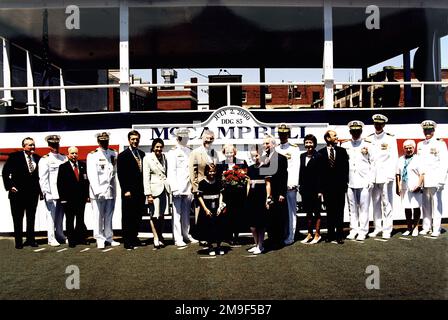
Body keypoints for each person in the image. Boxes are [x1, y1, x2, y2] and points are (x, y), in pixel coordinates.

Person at [2, 137, 41, 249]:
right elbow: (5, 172)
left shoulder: (38, 158)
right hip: (17, 194)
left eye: (33, 144)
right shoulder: (15, 157)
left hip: (32, 194)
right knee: (18, 218)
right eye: (30, 145)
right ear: (24, 146)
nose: (32, 147)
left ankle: (31, 240)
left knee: (31, 217)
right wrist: (10, 186)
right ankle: (18, 242)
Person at [341, 121, 373, 241]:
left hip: (364, 180)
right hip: (350, 181)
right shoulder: (345, 145)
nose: (355, 133)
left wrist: (371, 180)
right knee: (352, 208)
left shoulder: (368, 144)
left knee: (364, 207)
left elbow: (373, 162)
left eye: (357, 131)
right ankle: (353, 229)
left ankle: (363, 231)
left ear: (361, 132)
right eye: (353, 131)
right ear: (350, 132)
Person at [86, 132, 120, 249]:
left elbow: (114, 172)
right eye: (102, 141)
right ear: (98, 141)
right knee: (98, 216)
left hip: (111, 189)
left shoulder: (114, 153)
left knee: (109, 215)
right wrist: (97, 191)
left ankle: (109, 237)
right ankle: (99, 238)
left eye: (106, 140)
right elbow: (92, 174)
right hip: (98, 191)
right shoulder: (92, 155)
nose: (104, 142)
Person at [368, 114, 398, 239]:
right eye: (376, 123)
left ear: (384, 124)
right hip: (373, 176)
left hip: (385, 175)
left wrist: (391, 175)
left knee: (387, 203)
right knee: (375, 202)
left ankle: (387, 229)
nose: (378, 125)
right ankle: (377, 228)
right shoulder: (369, 138)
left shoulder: (390, 138)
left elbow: (394, 157)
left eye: (380, 123)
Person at [417, 120, 448, 237]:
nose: (427, 132)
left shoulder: (440, 144)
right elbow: (419, 163)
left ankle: (436, 228)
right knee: (425, 204)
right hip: (424, 180)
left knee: (436, 204)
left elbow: (444, 163)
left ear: (433, 131)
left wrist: (442, 180)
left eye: (430, 130)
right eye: (425, 130)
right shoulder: (420, 145)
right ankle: (426, 226)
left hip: (436, 179)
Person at [167, 128, 197, 247]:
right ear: (179, 138)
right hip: (178, 188)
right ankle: (177, 237)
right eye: (185, 137)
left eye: (187, 137)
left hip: (188, 187)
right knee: (177, 214)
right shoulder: (172, 152)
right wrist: (174, 188)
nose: (187, 139)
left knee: (186, 214)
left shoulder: (190, 151)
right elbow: (171, 171)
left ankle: (186, 234)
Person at [318, 130, 349, 244]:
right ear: (327, 138)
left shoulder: (342, 151)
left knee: (339, 211)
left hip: (340, 187)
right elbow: (320, 173)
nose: (337, 137)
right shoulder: (320, 153)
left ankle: (339, 235)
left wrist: (344, 184)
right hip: (327, 188)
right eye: (334, 135)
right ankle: (330, 234)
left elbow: (345, 169)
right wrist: (321, 189)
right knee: (330, 211)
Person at [117, 130, 146, 250]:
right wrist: (126, 190)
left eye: (137, 139)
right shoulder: (123, 155)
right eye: (133, 139)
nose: (135, 141)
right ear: (129, 140)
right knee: (128, 215)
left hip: (140, 191)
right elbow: (121, 175)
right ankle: (127, 240)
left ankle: (134, 237)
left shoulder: (142, 154)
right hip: (129, 191)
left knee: (137, 215)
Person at [189, 129, 219, 241]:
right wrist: (195, 188)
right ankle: (202, 237)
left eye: (211, 138)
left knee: (213, 213)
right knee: (200, 212)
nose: (209, 140)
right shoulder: (195, 152)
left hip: (212, 186)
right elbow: (193, 172)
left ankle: (212, 236)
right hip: (201, 187)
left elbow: (216, 170)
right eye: (207, 138)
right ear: (202, 138)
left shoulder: (214, 153)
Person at [56, 146, 89, 247]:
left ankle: (81, 238)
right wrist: (63, 198)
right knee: (70, 220)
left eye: (76, 153)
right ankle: (71, 240)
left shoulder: (83, 165)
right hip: (68, 199)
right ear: (68, 155)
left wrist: (87, 196)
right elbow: (60, 184)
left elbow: (86, 182)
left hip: (81, 198)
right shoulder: (63, 167)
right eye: (72, 153)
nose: (74, 155)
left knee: (80, 219)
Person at [39, 135, 67, 247]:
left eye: (56, 144)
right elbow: (43, 178)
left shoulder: (64, 158)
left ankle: (60, 235)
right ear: (49, 146)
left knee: (60, 216)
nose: (55, 146)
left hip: (62, 193)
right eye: (53, 145)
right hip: (52, 192)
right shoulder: (45, 159)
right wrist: (46, 193)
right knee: (51, 216)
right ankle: (51, 238)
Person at [261, 134, 288, 249]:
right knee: (269, 216)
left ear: (274, 144)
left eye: (267, 143)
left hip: (278, 192)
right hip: (267, 192)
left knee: (278, 216)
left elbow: (283, 176)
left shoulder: (281, 158)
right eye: (264, 144)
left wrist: (282, 193)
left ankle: (279, 240)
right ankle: (271, 239)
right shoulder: (263, 158)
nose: (265, 145)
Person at [275, 123, 301, 246]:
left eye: (284, 134)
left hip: (290, 185)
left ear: (288, 134)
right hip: (279, 186)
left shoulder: (294, 148)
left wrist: (293, 183)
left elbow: (296, 167)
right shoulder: (276, 148)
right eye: (280, 134)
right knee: (280, 212)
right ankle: (281, 234)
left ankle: (291, 236)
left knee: (291, 212)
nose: (282, 136)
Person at [143, 138, 171, 249]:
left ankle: (161, 235)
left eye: (160, 147)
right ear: (153, 147)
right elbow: (146, 177)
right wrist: (148, 194)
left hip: (164, 189)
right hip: (154, 190)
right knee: (153, 215)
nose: (159, 149)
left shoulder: (164, 157)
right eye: (157, 147)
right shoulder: (147, 158)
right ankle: (155, 237)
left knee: (162, 215)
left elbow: (166, 173)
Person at [218, 144, 248, 246]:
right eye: (227, 153)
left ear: (235, 152)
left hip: (238, 194)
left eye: (231, 152)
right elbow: (218, 179)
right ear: (224, 153)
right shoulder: (221, 164)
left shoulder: (241, 162)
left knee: (238, 215)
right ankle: (228, 236)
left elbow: (246, 177)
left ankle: (236, 236)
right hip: (227, 194)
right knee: (228, 215)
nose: (229, 154)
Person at [196, 164, 226, 256]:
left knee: (218, 227)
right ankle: (210, 247)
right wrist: (205, 209)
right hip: (207, 207)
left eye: (213, 171)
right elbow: (199, 197)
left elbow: (221, 194)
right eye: (210, 171)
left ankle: (219, 246)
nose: (212, 173)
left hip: (216, 207)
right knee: (208, 228)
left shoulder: (218, 182)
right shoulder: (202, 183)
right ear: (206, 172)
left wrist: (220, 206)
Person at [246, 145, 271, 254]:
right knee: (252, 225)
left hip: (261, 197)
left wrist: (268, 198)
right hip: (252, 197)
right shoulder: (250, 168)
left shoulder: (265, 167)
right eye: (252, 156)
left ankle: (261, 245)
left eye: (256, 155)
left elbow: (268, 184)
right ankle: (256, 244)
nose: (254, 158)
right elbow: (248, 184)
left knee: (260, 224)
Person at [396, 140, 424, 237]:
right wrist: (397, 186)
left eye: (410, 147)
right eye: (406, 148)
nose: (408, 149)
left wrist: (419, 185)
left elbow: (422, 174)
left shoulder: (418, 159)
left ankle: (415, 227)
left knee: (416, 207)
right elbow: (398, 174)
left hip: (415, 186)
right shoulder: (400, 159)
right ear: (403, 148)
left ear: (414, 148)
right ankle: (409, 228)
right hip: (404, 186)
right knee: (407, 207)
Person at [298, 134, 322, 245]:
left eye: (311, 142)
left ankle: (317, 234)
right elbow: (301, 173)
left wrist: (320, 190)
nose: (309, 145)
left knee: (316, 212)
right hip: (305, 189)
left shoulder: (319, 156)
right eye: (307, 142)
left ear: (314, 144)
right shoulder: (302, 156)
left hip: (315, 190)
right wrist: (300, 187)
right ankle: (309, 234)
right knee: (308, 213)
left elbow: (321, 175)